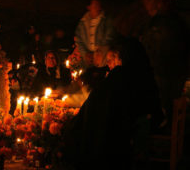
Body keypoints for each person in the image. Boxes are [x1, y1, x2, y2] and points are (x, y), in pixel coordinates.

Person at [62, 37, 164, 170]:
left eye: (112, 59)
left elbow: (97, 105)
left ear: (121, 57)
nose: (109, 63)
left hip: (115, 142)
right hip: (133, 131)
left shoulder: (119, 76)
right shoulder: (144, 74)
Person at [140, 0, 189, 118]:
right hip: (167, 72)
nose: (146, 4)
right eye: (145, 1)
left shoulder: (162, 22)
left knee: (165, 107)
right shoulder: (157, 21)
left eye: (149, 0)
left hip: (165, 73)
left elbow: (159, 46)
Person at [75, 0, 116, 67]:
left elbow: (109, 36)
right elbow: (79, 40)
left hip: (102, 57)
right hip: (89, 59)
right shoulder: (82, 23)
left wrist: (98, 52)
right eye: (95, 5)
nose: (98, 7)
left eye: (99, 5)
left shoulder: (106, 20)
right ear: (89, 7)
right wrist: (85, 54)